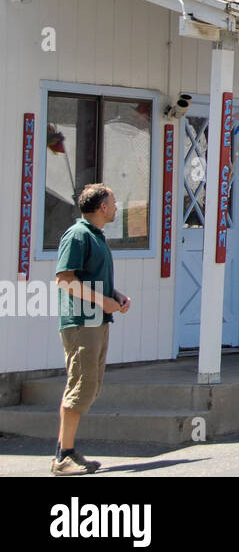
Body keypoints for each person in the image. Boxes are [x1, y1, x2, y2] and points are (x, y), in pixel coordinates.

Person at [51, 183, 130, 476]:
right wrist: (104, 301)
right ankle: (63, 458)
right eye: (113, 201)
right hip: (81, 322)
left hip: (96, 321)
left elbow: (91, 278)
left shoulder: (95, 236)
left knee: (89, 386)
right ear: (102, 208)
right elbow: (64, 279)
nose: (116, 207)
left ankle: (66, 452)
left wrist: (115, 296)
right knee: (80, 386)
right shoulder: (78, 235)